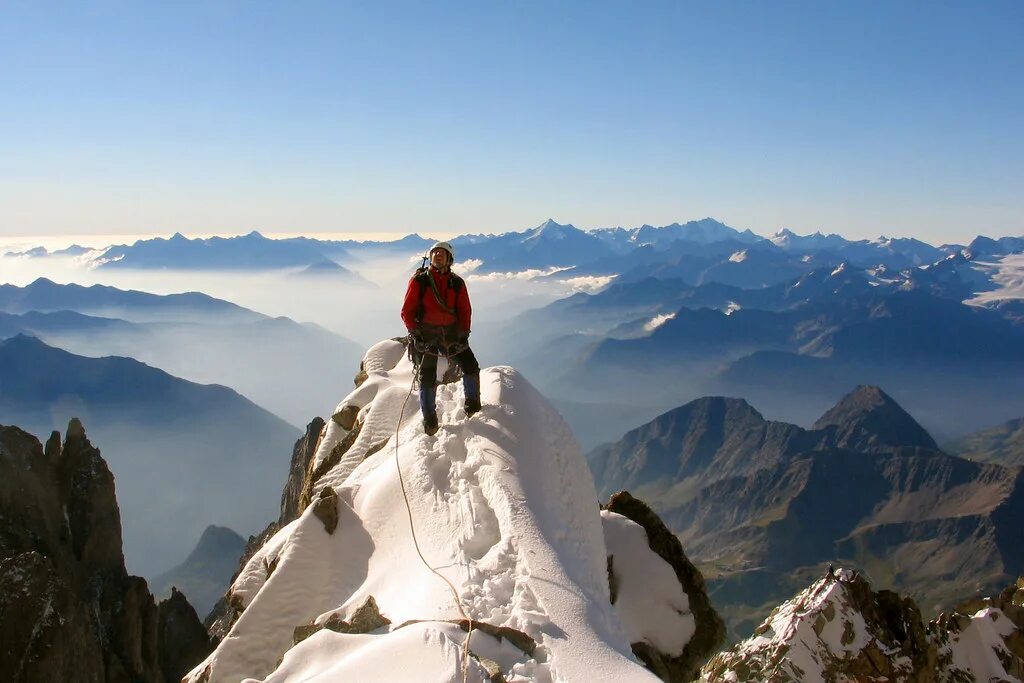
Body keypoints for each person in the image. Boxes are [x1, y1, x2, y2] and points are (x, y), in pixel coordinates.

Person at [401, 241, 481, 435]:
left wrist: (464, 333)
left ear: (449, 259)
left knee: (470, 366)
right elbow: (407, 311)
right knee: (426, 377)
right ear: (430, 258)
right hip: (426, 335)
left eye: (441, 254)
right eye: (435, 253)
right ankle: (430, 420)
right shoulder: (419, 281)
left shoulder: (456, 283)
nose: (438, 255)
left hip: (451, 334)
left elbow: (465, 310)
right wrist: (415, 333)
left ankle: (473, 406)